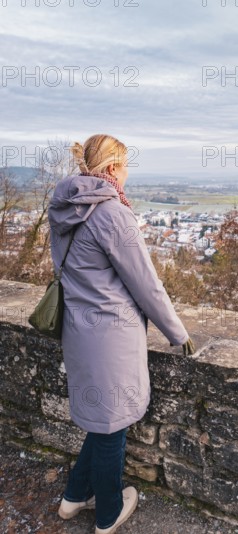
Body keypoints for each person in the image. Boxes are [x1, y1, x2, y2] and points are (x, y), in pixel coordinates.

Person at [47, 134, 195, 533]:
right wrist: (177, 333)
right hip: (112, 336)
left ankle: (74, 497)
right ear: (112, 169)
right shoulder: (111, 213)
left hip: (79, 330)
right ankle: (109, 513)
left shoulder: (63, 208)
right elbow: (146, 284)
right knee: (113, 424)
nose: (127, 176)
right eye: (126, 167)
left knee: (102, 419)